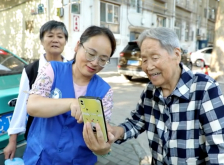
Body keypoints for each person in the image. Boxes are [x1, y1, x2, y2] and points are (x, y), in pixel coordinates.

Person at [103, 27, 224, 164]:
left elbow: (219, 151)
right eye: (144, 60)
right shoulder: (150, 90)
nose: (148, 67)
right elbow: (136, 122)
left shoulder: (205, 89)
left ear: (176, 55)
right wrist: (115, 131)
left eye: (154, 58)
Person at [23, 25, 116, 164]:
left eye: (103, 59)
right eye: (91, 53)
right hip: (40, 158)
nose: (95, 62)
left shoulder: (105, 91)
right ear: (78, 46)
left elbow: (101, 136)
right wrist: (71, 102)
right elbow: (32, 106)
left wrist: (103, 148)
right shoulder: (52, 70)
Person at [3, 20, 69, 160]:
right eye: (50, 36)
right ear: (42, 40)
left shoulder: (72, 69)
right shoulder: (31, 70)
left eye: (60, 36)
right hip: (38, 139)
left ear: (65, 41)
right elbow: (21, 106)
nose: (55, 40)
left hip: (66, 138)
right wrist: (12, 141)